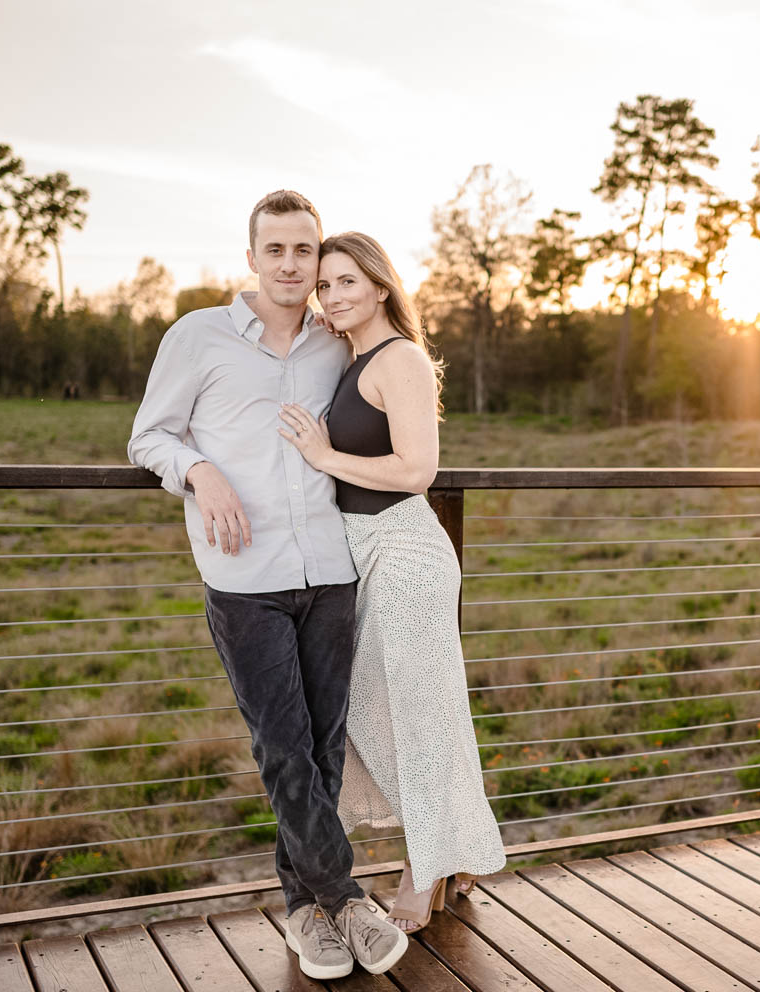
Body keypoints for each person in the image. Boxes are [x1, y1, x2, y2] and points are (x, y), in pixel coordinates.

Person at [127, 192, 407, 980]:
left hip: (330, 572)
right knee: (282, 747)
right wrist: (199, 469)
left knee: (319, 750)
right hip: (245, 579)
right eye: (275, 250)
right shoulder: (198, 336)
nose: (291, 265)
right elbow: (149, 434)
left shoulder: (334, 342)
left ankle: (302, 911)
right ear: (251, 257)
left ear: (320, 260)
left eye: (304, 251)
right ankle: (345, 899)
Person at [277, 231, 506, 933]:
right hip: (363, 557)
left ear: (382, 285)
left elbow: (415, 472)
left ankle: (425, 866)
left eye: (348, 282)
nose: (334, 295)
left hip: (404, 556)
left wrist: (323, 454)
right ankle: (455, 851)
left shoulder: (399, 358)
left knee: (418, 719)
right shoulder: (354, 356)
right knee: (393, 716)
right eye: (325, 286)